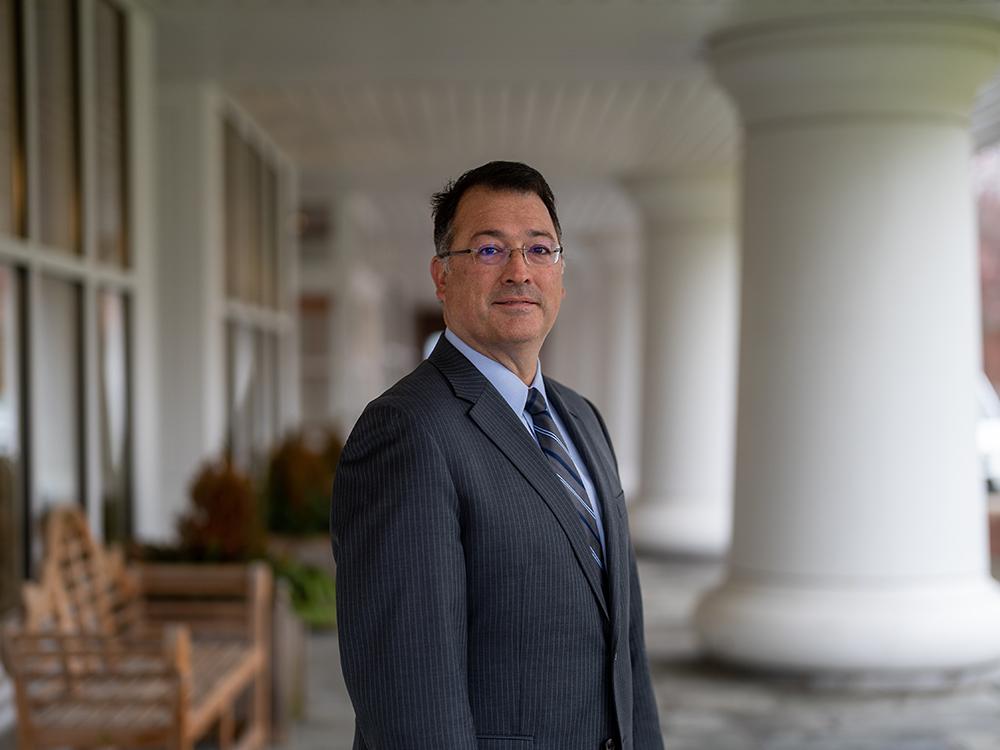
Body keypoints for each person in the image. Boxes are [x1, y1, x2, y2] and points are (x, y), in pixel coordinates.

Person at [330, 161, 664, 750]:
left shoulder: (582, 419)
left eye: (539, 249)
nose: (519, 271)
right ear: (441, 277)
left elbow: (626, 647)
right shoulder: (406, 433)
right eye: (488, 250)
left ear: (561, 274)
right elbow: (410, 697)